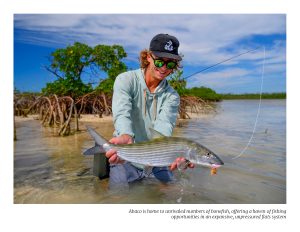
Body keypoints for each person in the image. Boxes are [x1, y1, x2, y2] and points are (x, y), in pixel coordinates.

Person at [105, 33, 194, 187]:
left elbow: (163, 128)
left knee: (170, 195)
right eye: (159, 62)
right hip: (126, 152)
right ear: (148, 57)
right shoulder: (126, 80)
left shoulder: (172, 96)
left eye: (170, 64)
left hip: (156, 158)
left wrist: (176, 155)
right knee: (117, 198)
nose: (164, 68)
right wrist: (126, 137)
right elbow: (121, 113)